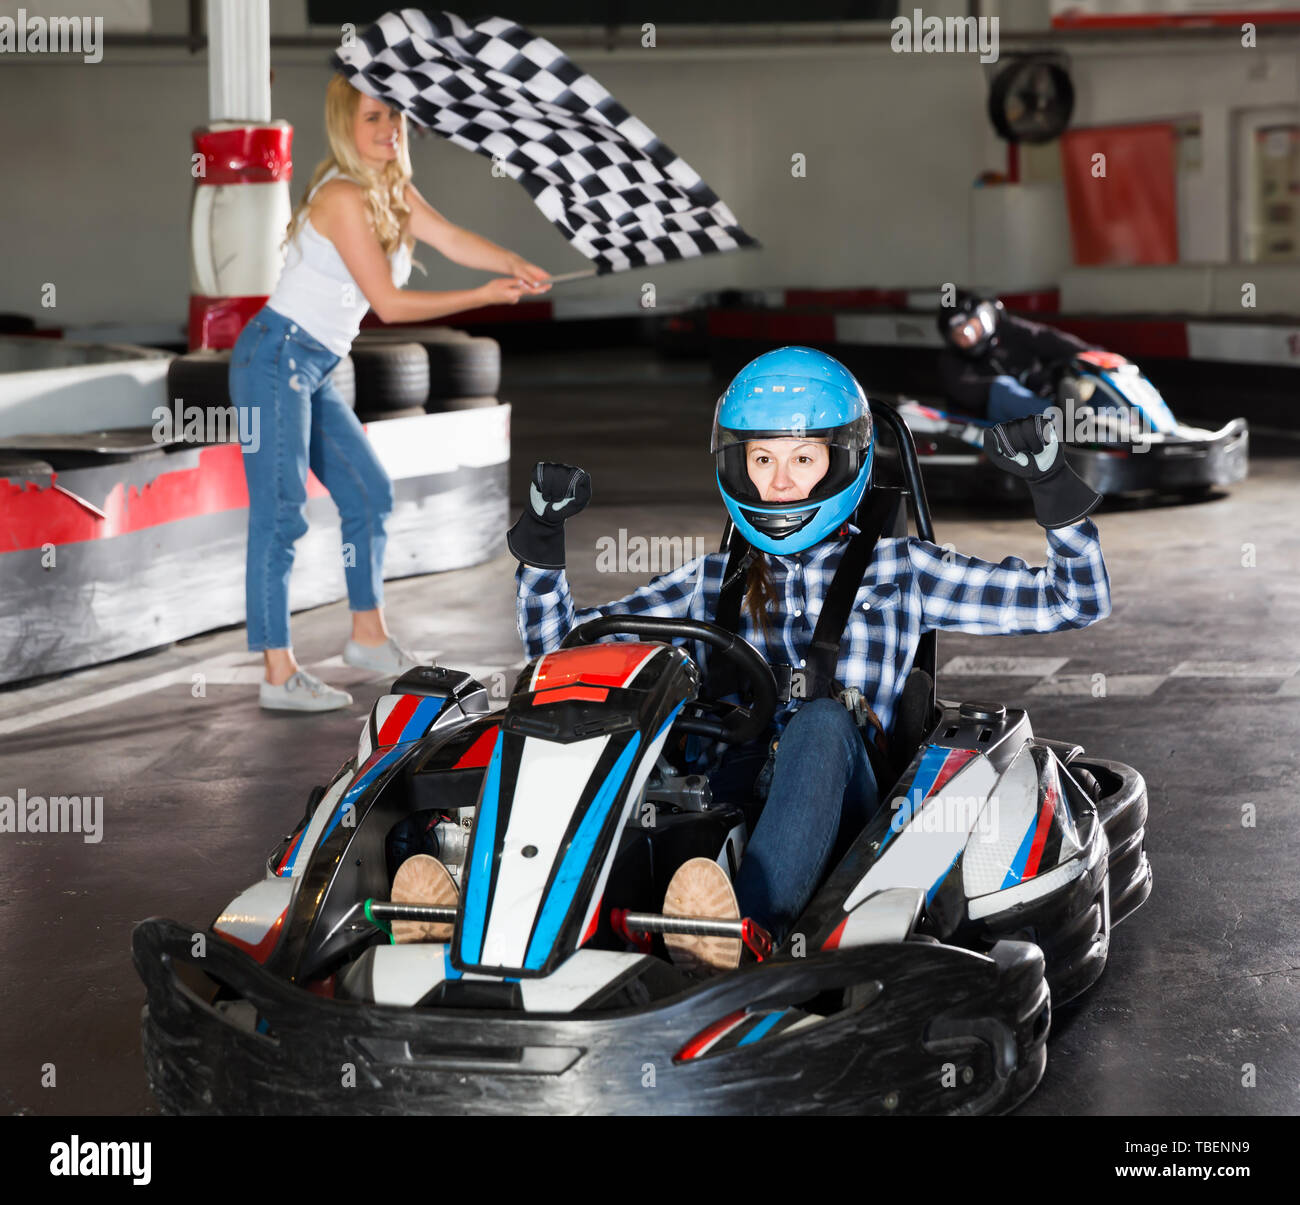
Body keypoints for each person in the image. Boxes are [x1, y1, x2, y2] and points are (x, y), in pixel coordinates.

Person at [506, 346, 1110, 974]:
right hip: (720, 787)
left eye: (803, 459)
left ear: (843, 461)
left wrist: (1051, 485)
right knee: (625, 716)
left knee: (819, 724)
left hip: (853, 801)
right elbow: (563, 656)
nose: (781, 482)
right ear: (737, 465)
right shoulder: (709, 580)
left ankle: (746, 935)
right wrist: (543, 546)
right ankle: (534, 920)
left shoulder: (904, 571)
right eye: (762, 459)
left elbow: (1073, 601)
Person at [229, 74, 551, 711]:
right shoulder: (345, 195)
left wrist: (509, 261)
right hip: (275, 355)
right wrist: (486, 296)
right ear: (346, 126)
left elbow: (450, 238)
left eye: (396, 119)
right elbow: (391, 304)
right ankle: (276, 673)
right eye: (373, 118)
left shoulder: (390, 188)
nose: (389, 130)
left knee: (368, 493)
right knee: (281, 511)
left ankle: (368, 637)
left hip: (314, 363)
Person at [938, 290, 1095, 425]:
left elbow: (1050, 339)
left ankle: (1092, 419)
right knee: (1001, 387)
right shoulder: (952, 360)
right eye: (959, 334)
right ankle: (1062, 423)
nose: (967, 337)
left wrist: (1095, 356)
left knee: (1072, 369)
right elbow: (968, 393)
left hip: (1043, 400)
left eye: (971, 327)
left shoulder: (1011, 330)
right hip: (994, 422)